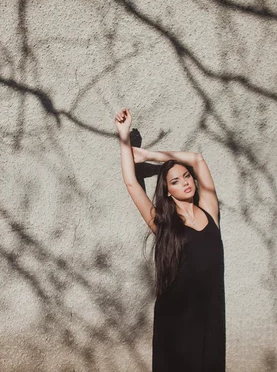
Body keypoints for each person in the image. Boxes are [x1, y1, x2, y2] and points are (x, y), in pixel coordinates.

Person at [115, 108, 225, 371]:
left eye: (186, 176)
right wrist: (123, 136)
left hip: (210, 314)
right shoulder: (162, 223)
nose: (185, 182)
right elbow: (131, 183)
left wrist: (149, 156)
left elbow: (197, 159)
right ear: (168, 190)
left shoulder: (210, 211)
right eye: (175, 181)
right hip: (175, 319)